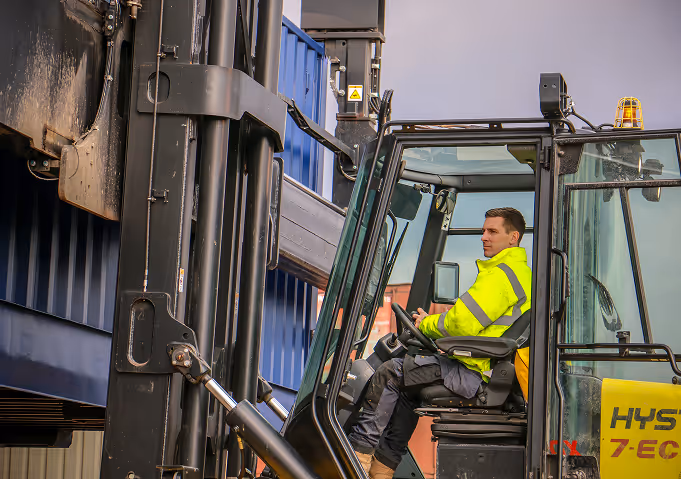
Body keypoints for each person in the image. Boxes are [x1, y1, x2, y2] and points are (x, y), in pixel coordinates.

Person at [348, 207, 532, 479]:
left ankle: (355, 459)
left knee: (389, 373)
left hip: (475, 373)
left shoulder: (502, 275)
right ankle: (381, 473)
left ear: (513, 237)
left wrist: (426, 325)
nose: (484, 237)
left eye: (492, 231)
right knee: (408, 391)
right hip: (485, 368)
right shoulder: (520, 274)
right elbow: (472, 321)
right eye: (483, 230)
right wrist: (433, 326)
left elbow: (461, 323)